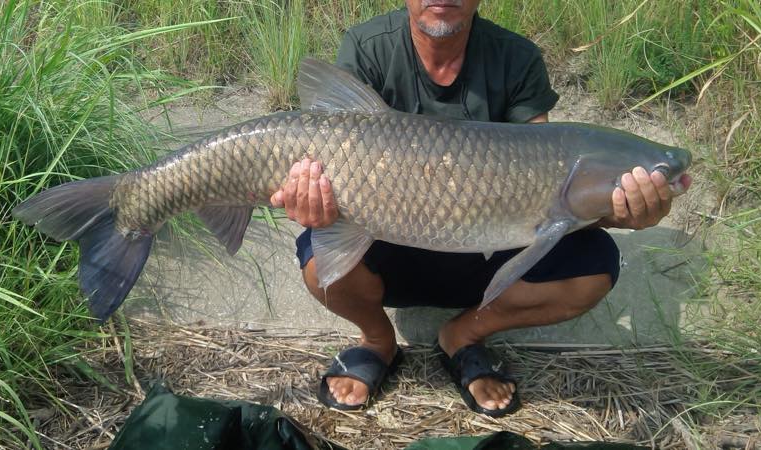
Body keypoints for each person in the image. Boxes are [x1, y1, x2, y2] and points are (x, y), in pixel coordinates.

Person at [270, 0, 692, 417]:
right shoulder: (368, 47)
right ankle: (377, 340)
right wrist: (312, 198)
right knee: (316, 254)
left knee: (596, 265)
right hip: (389, 239)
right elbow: (328, 143)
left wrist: (619, 214)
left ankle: (463, 335)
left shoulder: (516, 56)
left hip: (489, 246)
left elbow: (544, 181)